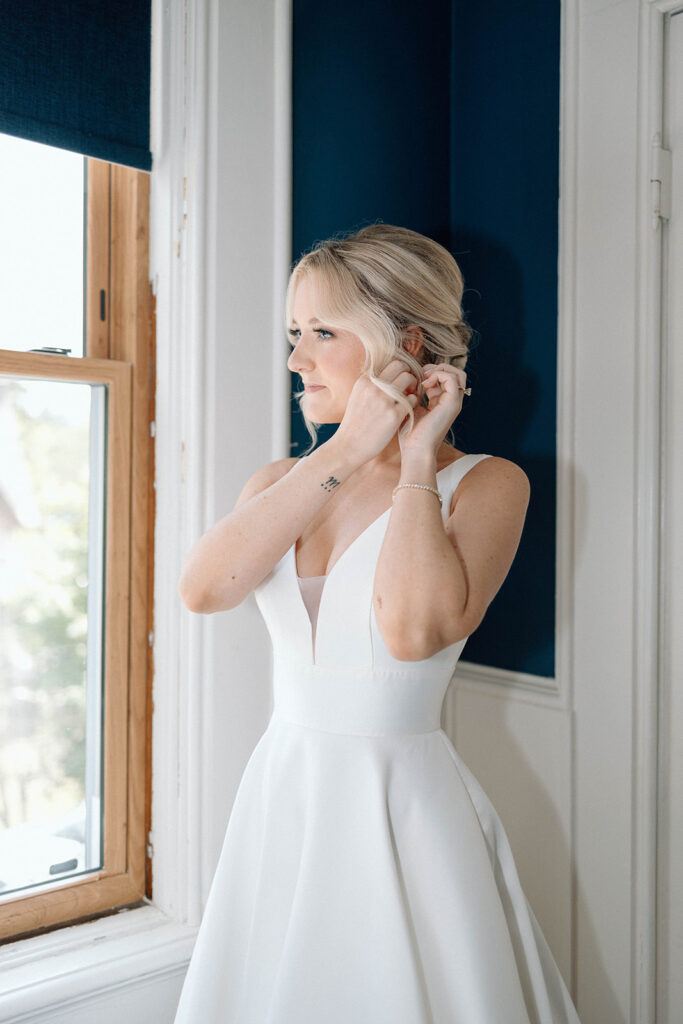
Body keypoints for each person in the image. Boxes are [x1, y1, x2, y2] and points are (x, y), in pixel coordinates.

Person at [174, 224, 581, 1023]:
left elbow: (409, 634)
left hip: (401, 813)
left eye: (323, 333)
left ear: (407, 345)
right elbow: (204, 590)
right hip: (283, 796)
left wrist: (418, 458)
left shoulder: (486, 485)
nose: (297, 360)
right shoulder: (281, 480)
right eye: (295, 334)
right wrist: (348, 450)